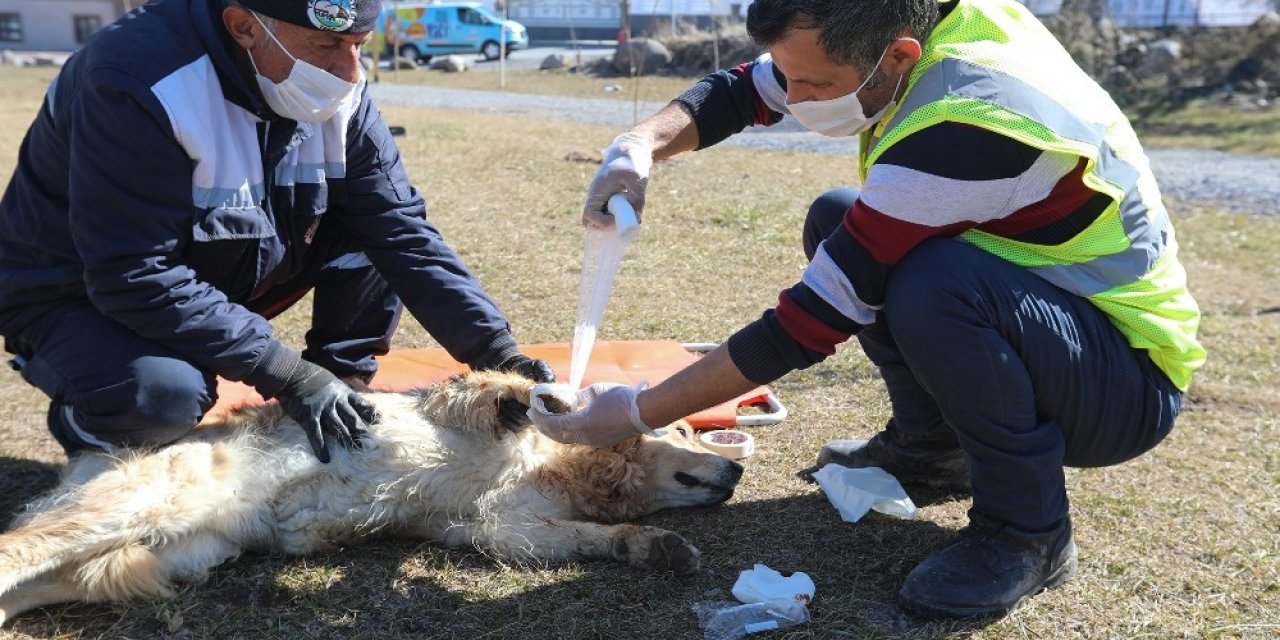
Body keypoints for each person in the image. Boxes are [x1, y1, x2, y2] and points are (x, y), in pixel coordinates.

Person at [531, 0, 1205, 619]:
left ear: (902, 57)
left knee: (932, 283)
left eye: (817, 87)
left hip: (1125, 381)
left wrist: (637, 412)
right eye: (793, 82)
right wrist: (639, 145)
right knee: (838, 217)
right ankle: (934, 450)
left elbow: (807, 324)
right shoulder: (903, 25)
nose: (796, 101)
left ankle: (1028, 534)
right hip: (1061, 324)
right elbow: (743, 90)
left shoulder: (970, 121)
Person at [0, 0, 553, 465]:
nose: (351, 71)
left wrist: (497, 353)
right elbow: (131, 271)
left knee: (370, 229)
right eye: (326, 47)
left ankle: (340, 392)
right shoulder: (137, 83)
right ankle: (93, 426)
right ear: (244, 26)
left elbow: (400, 231)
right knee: (160, 398)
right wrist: (287, 373)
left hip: (212, 272)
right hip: (76, 293)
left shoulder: (337, 89)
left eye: (361, 44)